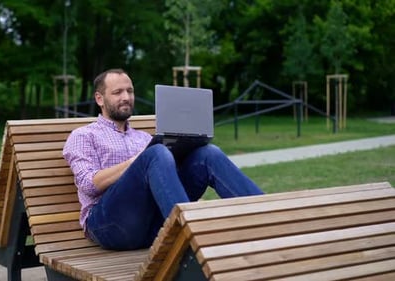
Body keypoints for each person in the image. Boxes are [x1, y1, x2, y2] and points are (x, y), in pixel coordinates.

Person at [63, 68, 264, 250]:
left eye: (130, 91)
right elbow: (88, 184)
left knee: (208, 153)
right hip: (109, 226)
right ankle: (191, 237)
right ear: (99, 99)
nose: (126, 97)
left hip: (154, 224)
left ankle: (266, 217)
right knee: (156, 153)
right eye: (117, 92)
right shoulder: (83, 136)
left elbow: (166, 183)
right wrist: (136, 162)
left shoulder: (144, 138)